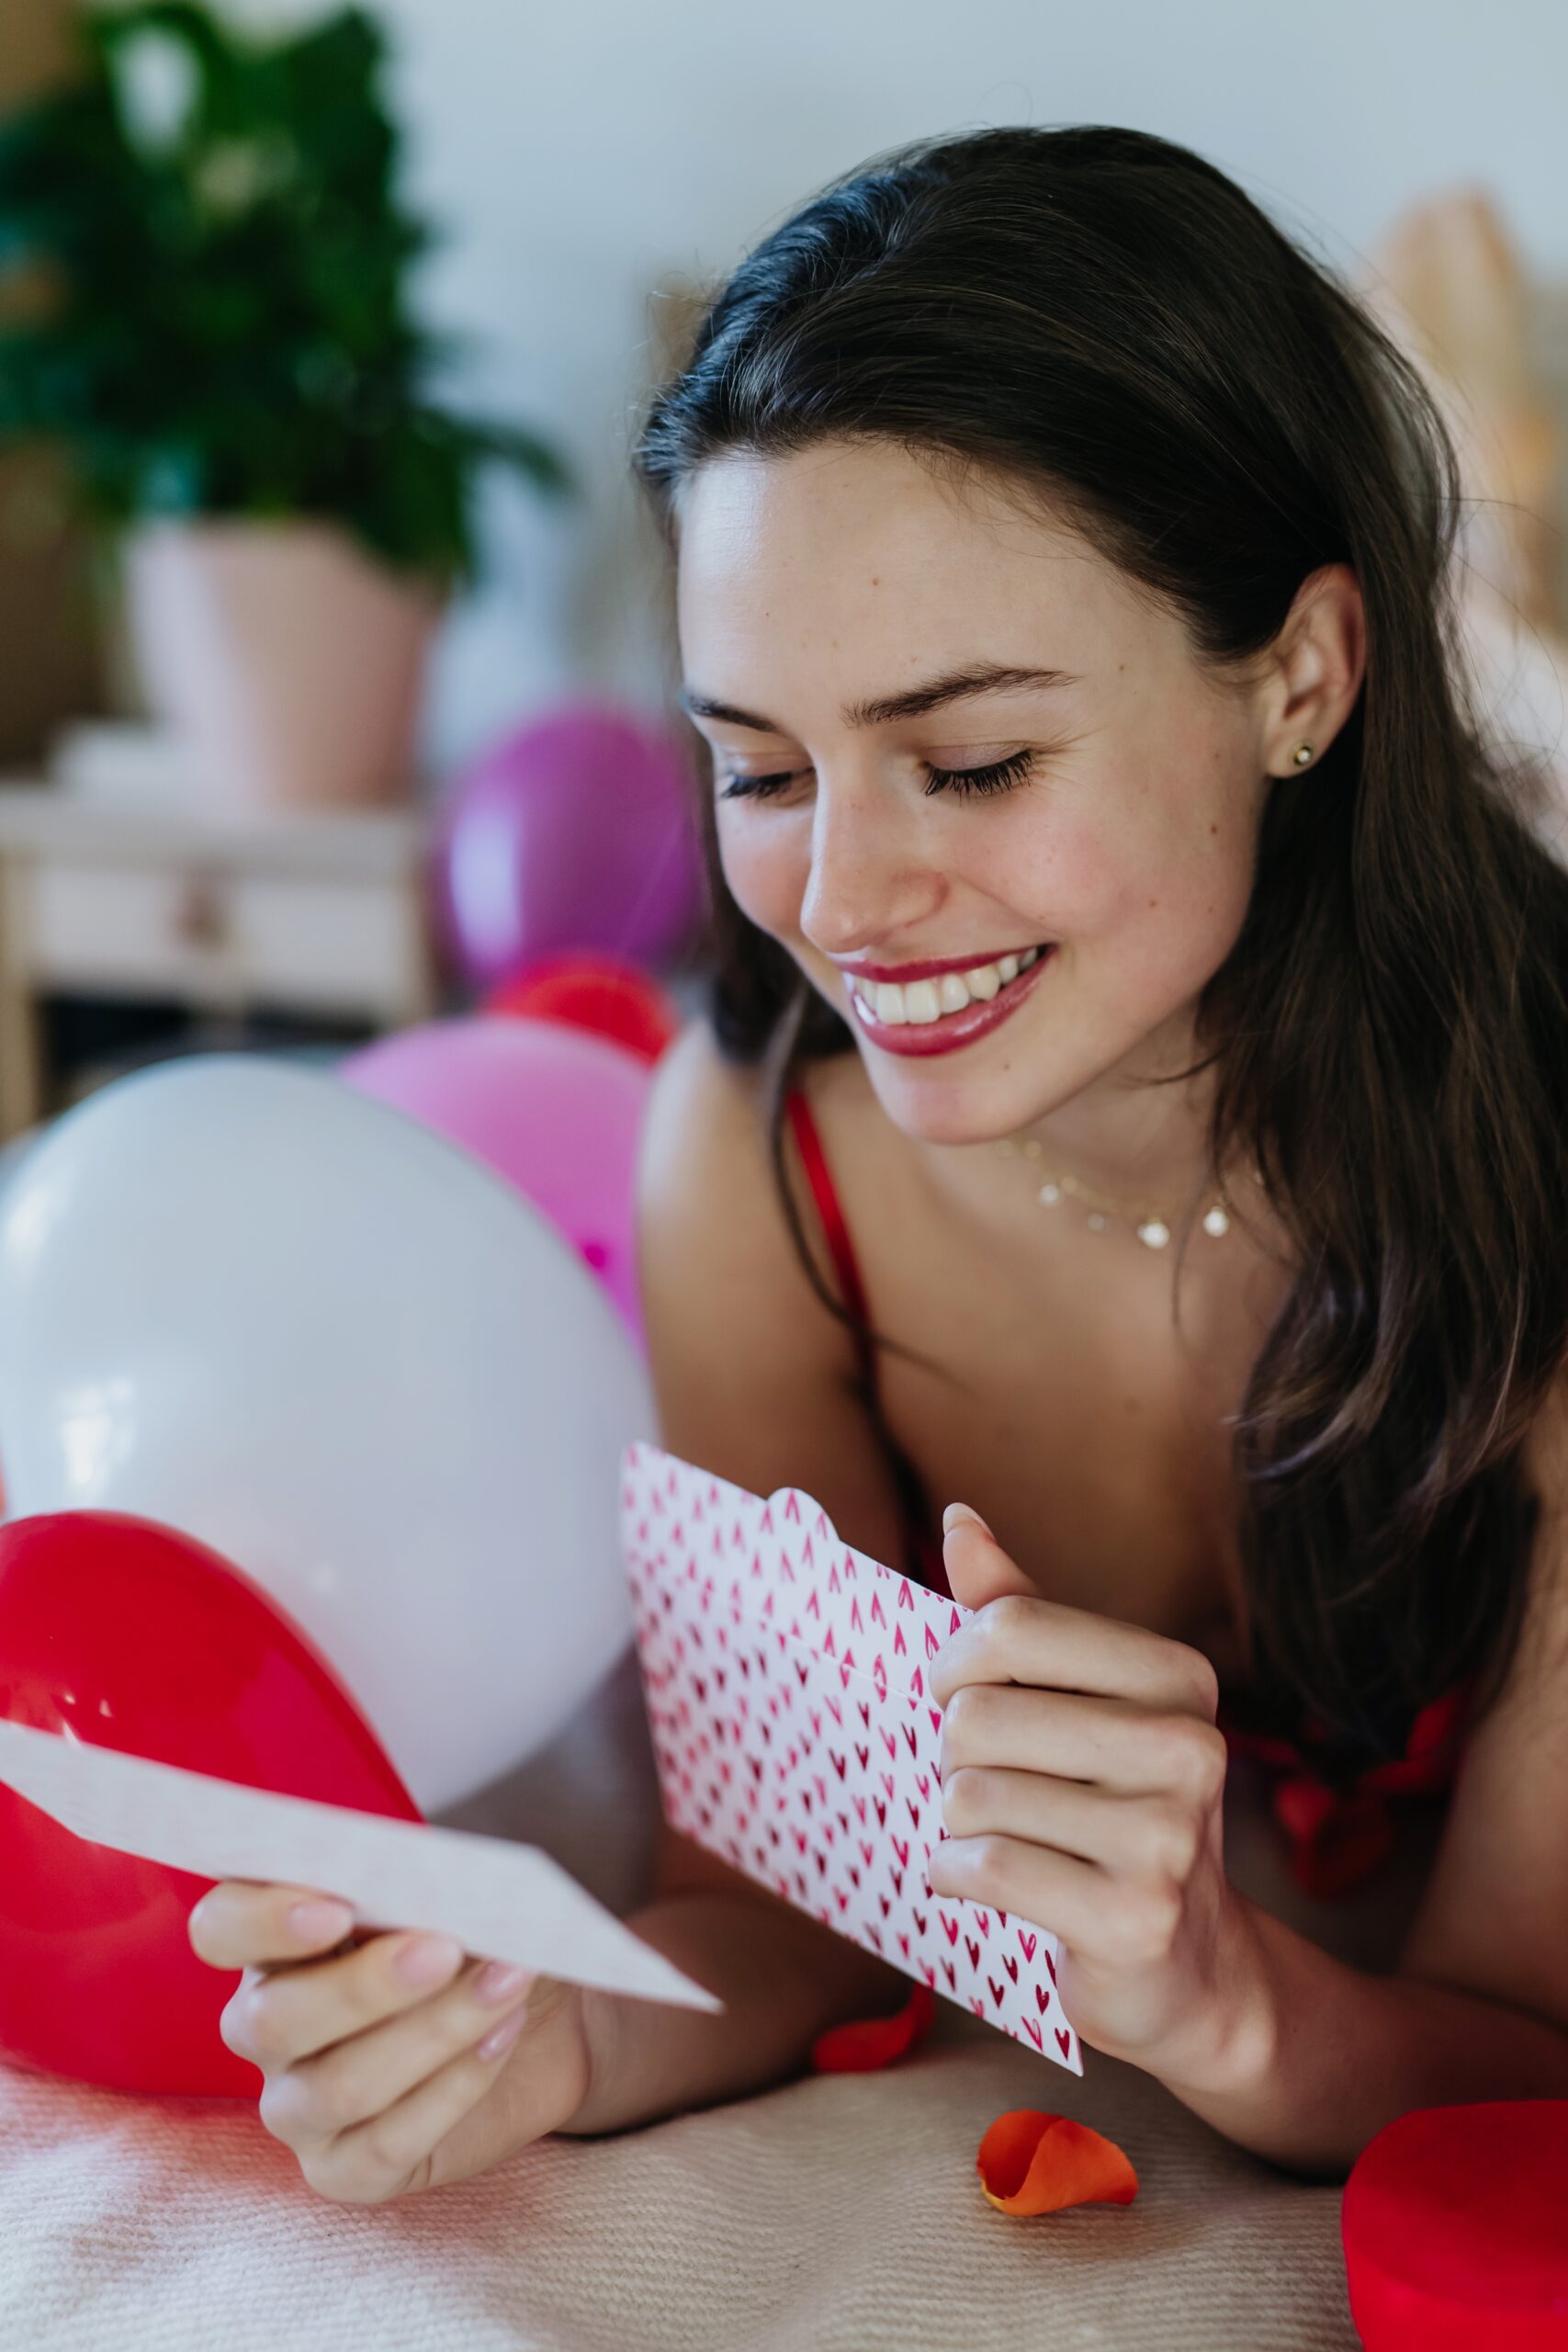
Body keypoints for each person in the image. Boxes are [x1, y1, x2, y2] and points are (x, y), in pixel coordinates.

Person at [189, 123, 1568, 2204]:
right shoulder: (766, 1163)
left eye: (973, 759)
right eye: (755, 763)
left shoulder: (1532, 1158)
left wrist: (1212, 1994)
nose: (836, 898)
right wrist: (545, 2022)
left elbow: (1518, 2053)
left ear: (1299, 674)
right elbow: (784, 1893)